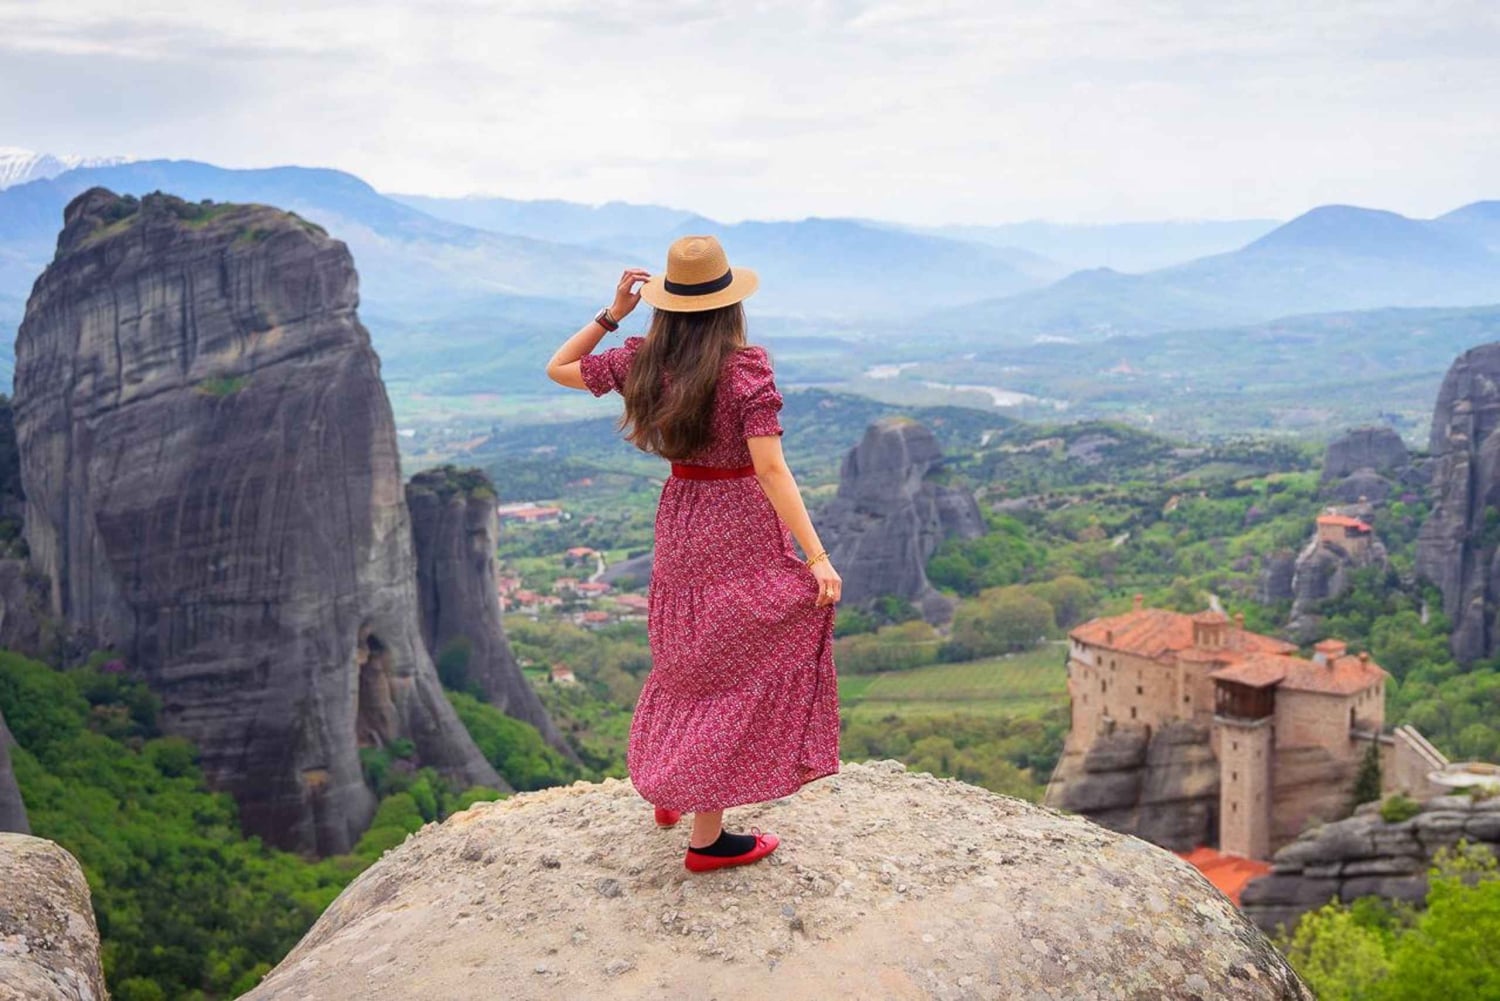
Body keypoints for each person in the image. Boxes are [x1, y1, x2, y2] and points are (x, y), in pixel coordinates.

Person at [545, 235, 842, 873]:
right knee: (736, 664)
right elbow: (770, 468)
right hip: (737, 522)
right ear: (729, 305)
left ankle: (675, 785)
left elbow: (559, 369)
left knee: (689, 655)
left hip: (682, 515)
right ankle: (707, 839)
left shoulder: (645, 360)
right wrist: (815, 556)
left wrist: (611, 314)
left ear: (667, 304)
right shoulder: (743, 369)